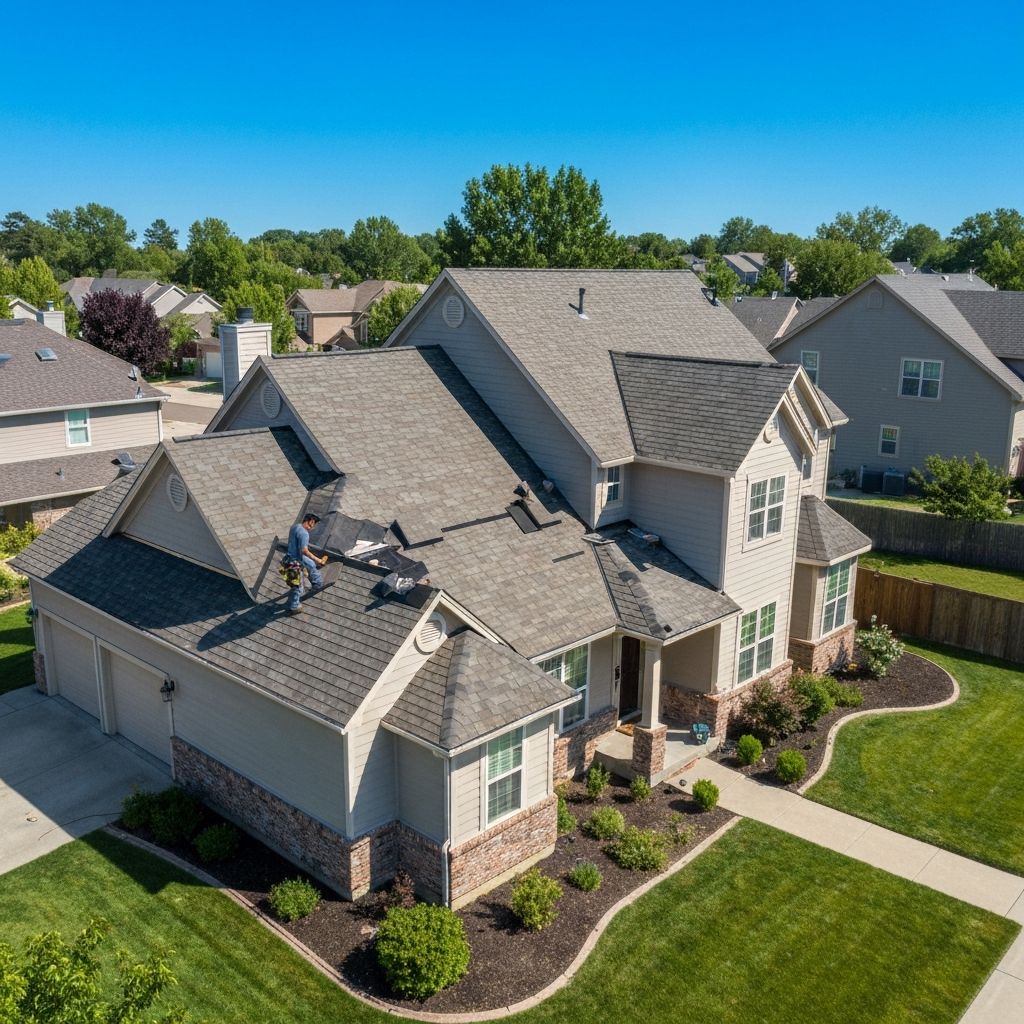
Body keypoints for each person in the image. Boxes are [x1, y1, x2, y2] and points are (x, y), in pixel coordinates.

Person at [285, 513, 327, 614]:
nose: (314, 527)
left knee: (311, 564)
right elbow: (304, 551)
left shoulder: (295, 526)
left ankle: (317, 582)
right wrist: (319, 560)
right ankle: (294, 606)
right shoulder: (304, 533)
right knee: (297, 586)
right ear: (311, 521)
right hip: (294, 562)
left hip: (292, 556)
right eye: (314, 524)